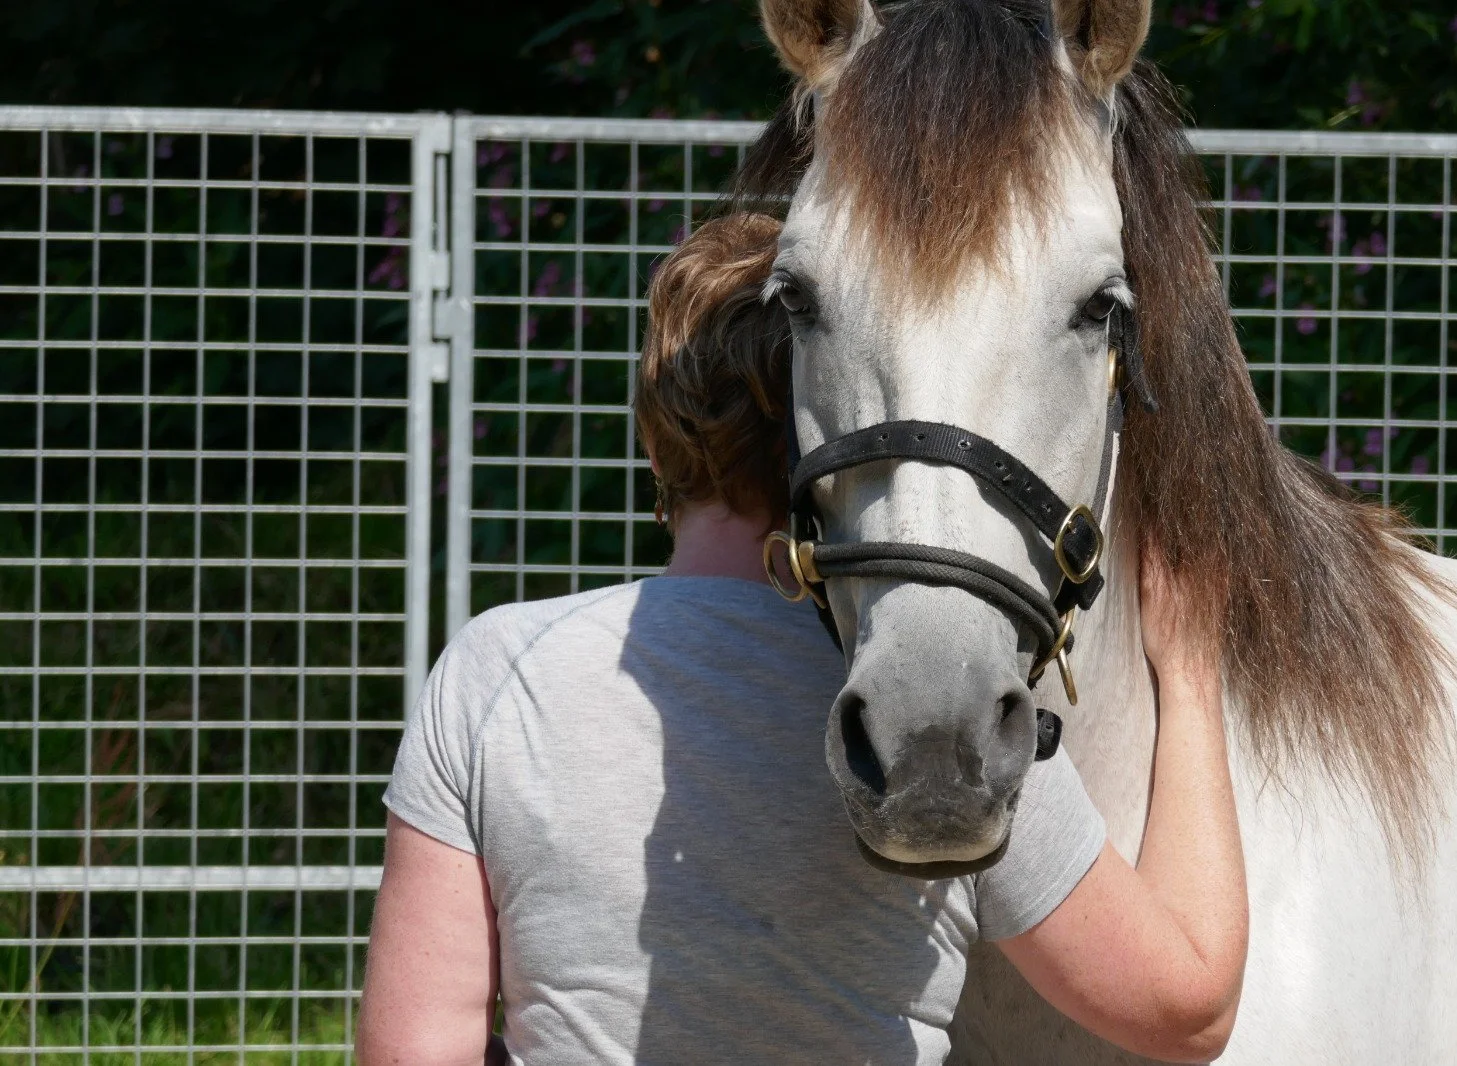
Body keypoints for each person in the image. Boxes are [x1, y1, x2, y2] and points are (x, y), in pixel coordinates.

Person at [356, 213, 1247, 1066]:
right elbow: (1185, 1009)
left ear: (656, 449)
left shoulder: (491, 674)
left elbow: (412, 1051)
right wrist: (1194, 676)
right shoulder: (934, 710)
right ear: (831, 436)